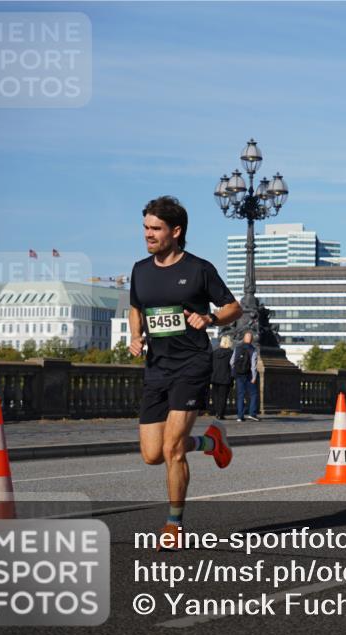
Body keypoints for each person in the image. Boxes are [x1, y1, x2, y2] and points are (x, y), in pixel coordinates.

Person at [128, 196, 241, 547]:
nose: (148, 234)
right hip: (157, 367)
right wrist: (136, 335)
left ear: (175, 231)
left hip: (192, 365)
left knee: (173, 449)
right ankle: (211, 441)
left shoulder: (199, 269)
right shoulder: (140, 270)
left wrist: (209, 318)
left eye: (156, 228)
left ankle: (174, 525)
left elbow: (234, 307)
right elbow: (136, 307)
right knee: (152, 454)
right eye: (146, 227)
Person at [231, 331, 260, 422]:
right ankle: (252, 413)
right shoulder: (253, 350)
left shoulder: (237, 348)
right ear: (251, 340)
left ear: (243, 339)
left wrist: (235, 371)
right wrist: (254, 377)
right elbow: (253, 365)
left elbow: (232, 362)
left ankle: (240, 416)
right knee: (253, 394)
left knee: (240, 395)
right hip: (249, 375)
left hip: (239, 375)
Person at [210, 335, 234, 419]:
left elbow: (211, 365)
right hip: (225, 378)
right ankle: (220, 413)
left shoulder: (215, 352)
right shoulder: (231, 353)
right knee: (223, 397)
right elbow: (232, 366)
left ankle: (217, 411)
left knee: (215, 396)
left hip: (215, 377)